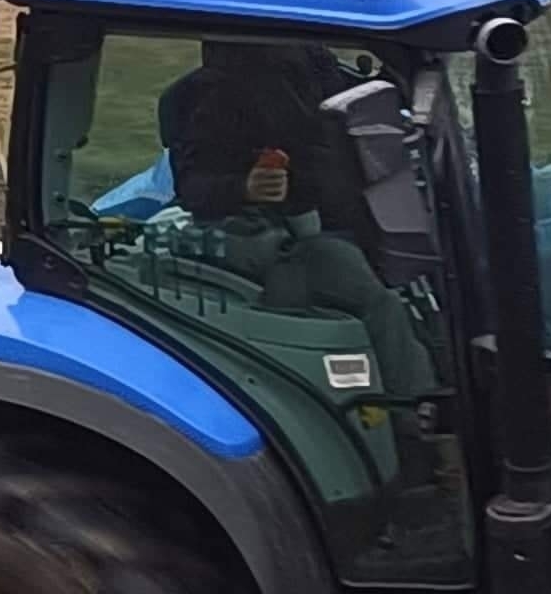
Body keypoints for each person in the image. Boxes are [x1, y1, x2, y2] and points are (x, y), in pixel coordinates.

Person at [159, 39, 437, 401]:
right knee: (378, 303)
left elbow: (353, 100)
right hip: (269, 238)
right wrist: (244, 187)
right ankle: (418, 415)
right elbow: (192, 187)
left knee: (427, 278)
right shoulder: (207, 96)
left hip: (334, 217)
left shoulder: (309, 62)